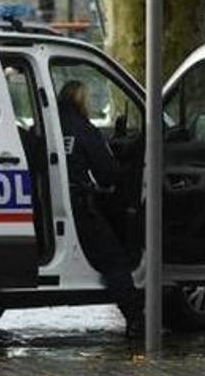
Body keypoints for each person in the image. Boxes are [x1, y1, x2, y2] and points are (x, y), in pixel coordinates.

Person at [57, 80, 144, 338]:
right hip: (79, 206)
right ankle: (136, 319)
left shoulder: (51, 124)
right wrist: (128, 165)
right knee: (114, 259)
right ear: (80, 100)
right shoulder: (83, 130)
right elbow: (107, 174)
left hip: (57, 202)